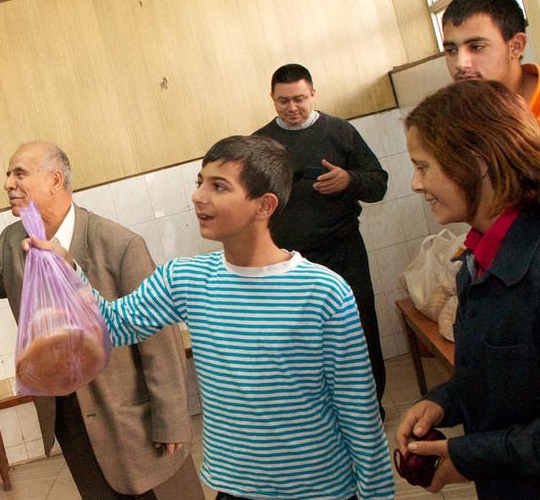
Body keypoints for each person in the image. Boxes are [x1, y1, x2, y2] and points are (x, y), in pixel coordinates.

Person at [28, 135, 394, 499]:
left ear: (264, 206)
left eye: (219, 186)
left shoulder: (322, 291)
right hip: (233, 488)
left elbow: (357, 408)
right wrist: (71, 270)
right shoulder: (185, 279)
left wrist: (377, 494)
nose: (199, 196)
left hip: (319, 489)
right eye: (200, 182)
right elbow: (112, 325)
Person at [0, 141, 202, 499]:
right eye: (8, 174)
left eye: (19, 173)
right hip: (68, 420)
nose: (7, 183)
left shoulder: (117, 244)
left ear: (55, 180)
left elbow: (159, 341)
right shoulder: (13, 243)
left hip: (133, 421)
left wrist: (172, 420)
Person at [396, 80, 540, 498]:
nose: (414, 183)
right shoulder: (476, 260)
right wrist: (444, 401)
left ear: (477, 160)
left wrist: (470, 455)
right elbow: (496, 377)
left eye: (423, 166)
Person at [252, 63, 389, 413]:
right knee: (304, 341)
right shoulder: (260, 145)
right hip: (289, 262)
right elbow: (247, 201)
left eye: (299, 98)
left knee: (359, 327)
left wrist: (350, 180)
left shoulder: (341, 132)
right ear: (272, 98)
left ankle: (372, 406)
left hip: (344, 250)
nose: (292, 108)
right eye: (283, 101)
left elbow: (378, 183)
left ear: (313, 93)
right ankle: (321, 413)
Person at [441, 0, 539, 119]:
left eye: (476, 47)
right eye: (451, 50)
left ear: (516, 47)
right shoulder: (453, 120)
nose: (461, 64)